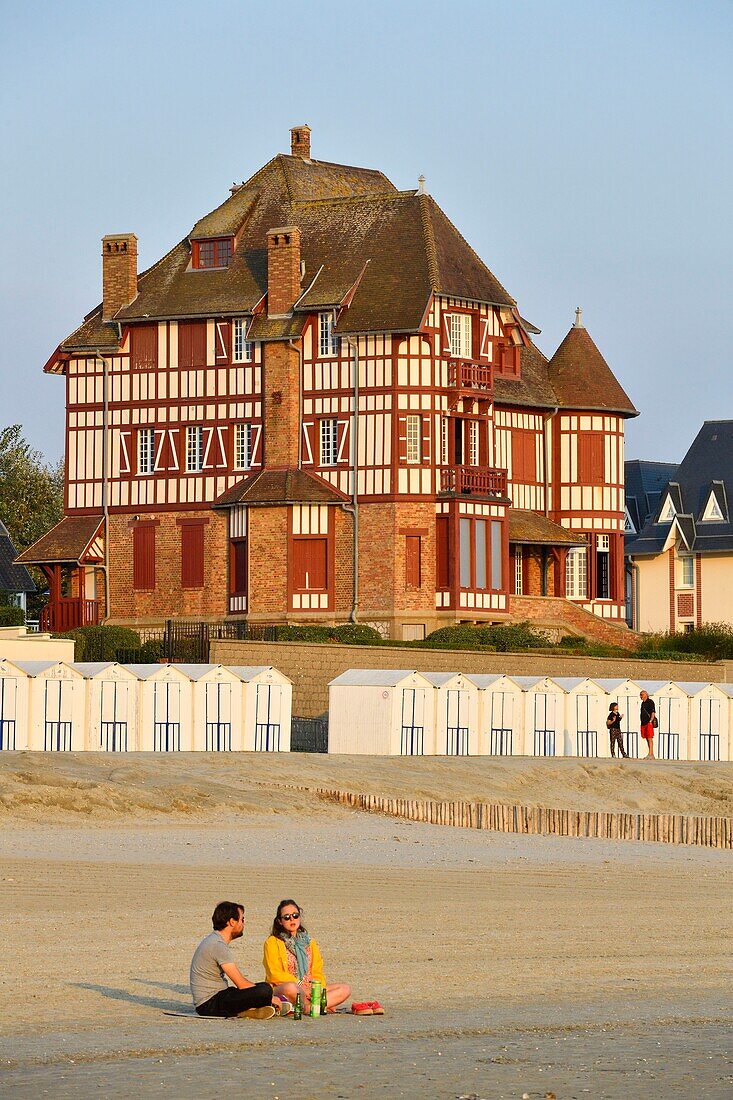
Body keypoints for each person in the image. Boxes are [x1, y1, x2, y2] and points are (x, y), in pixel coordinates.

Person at [190, 901, 278, 1019]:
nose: (243, 923)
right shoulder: (218, 945)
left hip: (218, 997)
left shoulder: (214, 940)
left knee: (262, 988)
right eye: (242, 919)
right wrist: (269, 996)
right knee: (264, 989)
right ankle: (265, 1004)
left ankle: (249, 1011)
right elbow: (241, 984)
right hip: (208, 1004)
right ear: (232, 922)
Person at [263, 899, 351, 1013]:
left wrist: (316, 989)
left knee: (345, 989)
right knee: (291, 988)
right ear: (280, 921)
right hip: (287, 988)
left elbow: (317, 971)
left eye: (295, 915)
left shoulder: (310, 943)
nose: (292, 919)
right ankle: (315, 1006)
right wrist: (301, 987)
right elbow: (274, 974)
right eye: (286, 917)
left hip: (310, 989)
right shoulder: (272, 942)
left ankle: (312, 1006)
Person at [640, 690, 656, 759]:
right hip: (643, 723)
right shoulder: (642, 703)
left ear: (646, 695)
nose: (641, 696)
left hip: (648, 722)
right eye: (640, 695)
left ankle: (650, 754)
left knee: (650, 738)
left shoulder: (650, 702)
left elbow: (653, 712)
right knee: (646, 738)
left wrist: (650, 721)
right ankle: (651, 754)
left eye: (642, 694)